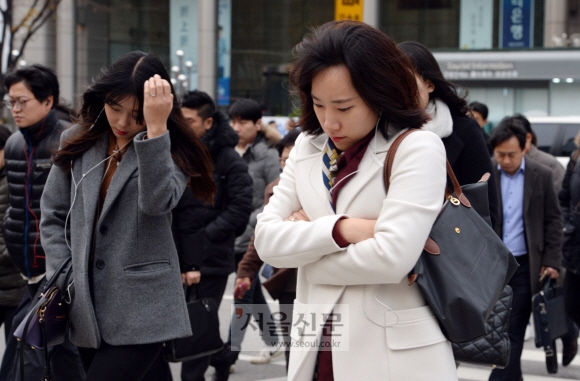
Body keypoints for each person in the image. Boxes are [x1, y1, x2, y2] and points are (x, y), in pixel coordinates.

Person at [254, 20, 457, 380]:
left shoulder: (417, 147)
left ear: (379, 93)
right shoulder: (307, 147)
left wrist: (306, 259)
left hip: (393, 359)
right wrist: (343, 230)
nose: (330, 121)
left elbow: (392, 258)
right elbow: (267, 241)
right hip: (316, 347)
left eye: (344, 108)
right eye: (318, 104)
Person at [39, 51, 215, 381]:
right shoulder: (77, 140)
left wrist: (157, 129)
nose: (121, 122)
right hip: (85, 305)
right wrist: (64, 274)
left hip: (143, 308)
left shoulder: (170, 148)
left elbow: (157, 202)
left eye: (136, 115)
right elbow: (52, 214)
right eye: (114, 108)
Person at [0, 64, 85, 381]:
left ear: (48, 101)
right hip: (27, 271)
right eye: (11, 102)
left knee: (27, 349)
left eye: (23, 101)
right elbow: (14, 206)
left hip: (59, 272)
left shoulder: (69, 141)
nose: (16, 109)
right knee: (58, 352)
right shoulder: (14, 145)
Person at [175, 90, 253, 381]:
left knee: (197, 325)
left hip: (211, 258)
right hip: (176, 256)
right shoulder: (175, 151)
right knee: (193, 323)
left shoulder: (228, 159)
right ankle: (221, 356)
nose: (182, 126)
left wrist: (202, 238)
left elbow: (240, 209)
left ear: (208, 123)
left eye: (189, 121)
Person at [489, 119, 562, 381]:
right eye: (500, 155)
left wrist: (552, 260)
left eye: (511, 154)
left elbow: (554, 220)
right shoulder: (486, 173)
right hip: (493, 268)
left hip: (525, 265)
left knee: (513, 330)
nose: (506, 160)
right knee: (499, 331)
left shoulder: (540, 175)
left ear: (524, 148)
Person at [398, 41, 498, 227]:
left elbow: (486, 207)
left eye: (408, 83)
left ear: (430, 84)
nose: (401, 92)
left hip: (450, 249)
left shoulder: (464, 131)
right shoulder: (380, 132)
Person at [235, 128, 301, 371]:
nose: (286, 165)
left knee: (326, 348)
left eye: (292, 159)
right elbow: (262, 235)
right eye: (283, 159)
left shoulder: (327, 185)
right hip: (288, 281)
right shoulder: (276, 189)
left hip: (322, 278)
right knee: (294, 348)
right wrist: (246, 271)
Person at [224, 98, 281, 373]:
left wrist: (248, 224)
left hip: (252, 237)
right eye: (233, 121)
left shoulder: (268, 155)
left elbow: (275, 197)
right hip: (231, 238)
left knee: (242, 297)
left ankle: (228, 357)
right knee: (251, 293)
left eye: (242, 122)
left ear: (257, 124)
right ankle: (273, 340)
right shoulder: (228, 151)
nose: (236, 127)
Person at [0, 125, 27, 345]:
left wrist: (6, 252)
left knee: (16, 355)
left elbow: (23, 225)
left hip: (15, 284)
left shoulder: (16, 179)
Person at [558, 130, 580, 366]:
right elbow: (564, 198)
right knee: (571, 306)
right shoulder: (576, 158)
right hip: (576, 247)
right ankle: (571, 337)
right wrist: (568, 225)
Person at [510, 114, 565, 192]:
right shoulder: (497, 164)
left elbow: (557, 196)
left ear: (528, 137)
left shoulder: (549, 164)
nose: (506, 161)